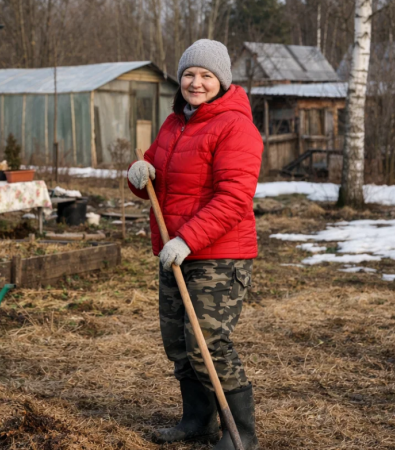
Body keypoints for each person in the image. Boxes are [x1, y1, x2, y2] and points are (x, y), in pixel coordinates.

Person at [127, 39, 263, 450]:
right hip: (176, 252)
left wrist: (188, 238)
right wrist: (138, 174)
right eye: (189, 73)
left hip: (219, 254)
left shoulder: (236, 126)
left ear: (222, 81)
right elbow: (156, 183)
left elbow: (234, 198)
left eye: (206, 75)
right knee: (178, 343)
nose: (196, 82)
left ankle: (240, 436)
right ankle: (196, 420)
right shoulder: (175, 123)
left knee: (208, 345)